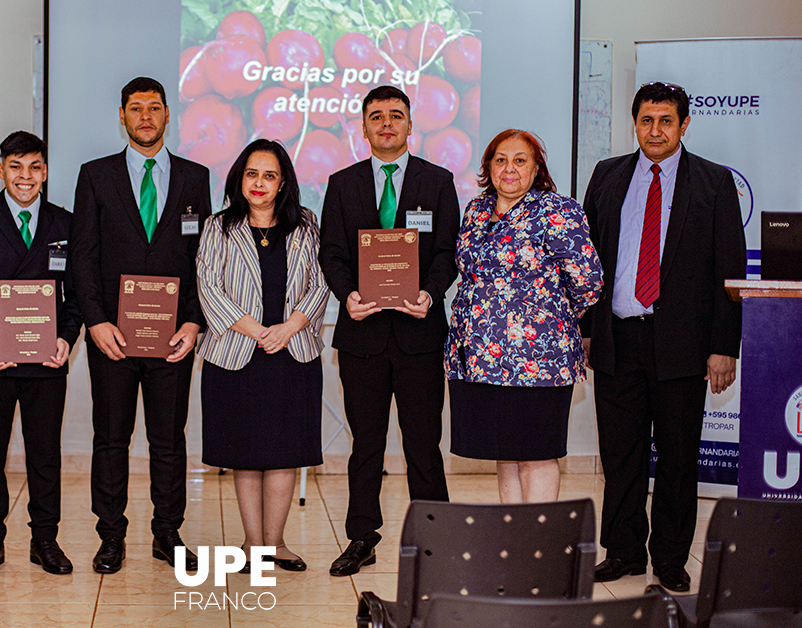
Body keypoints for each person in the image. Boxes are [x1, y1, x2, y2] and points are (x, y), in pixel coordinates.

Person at [582, 82, 745, 592]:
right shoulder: (607, 176)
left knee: (677, 457)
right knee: (621, 455)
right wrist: (586, 331)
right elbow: (585, 263)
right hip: (617, 339)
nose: (656, 131)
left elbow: (729, 272)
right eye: (647, 121)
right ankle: (624, 552)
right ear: (635, 123)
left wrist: (723, 347)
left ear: (684, 124)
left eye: (666, 121)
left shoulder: (714, 183)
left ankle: (671, 558)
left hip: (683, 346)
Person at [70, 77, 211, 573]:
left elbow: (202, 261)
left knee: (169, 440)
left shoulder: (196, 178)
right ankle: (111, 537)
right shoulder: (96, 176)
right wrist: (96, 322)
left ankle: (167, 534)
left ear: (168, 115)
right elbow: (82, 259)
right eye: (136, 108)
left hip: (174, 339)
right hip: (114, 339)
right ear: (123, 117)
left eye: (154, 108)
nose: (145, 116)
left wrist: (194, 322)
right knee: (111, 439)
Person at [318, 85, 460, 576]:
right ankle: (362, 537)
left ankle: (437, 541)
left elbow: (446, 251)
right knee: (366, 446)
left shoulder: (438, 181)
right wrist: (347, 296)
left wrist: (431, 292)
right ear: (363, 127)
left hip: (420, 335)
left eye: (395, 116)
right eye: (376, 117)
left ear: (409, 125)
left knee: (423, 444)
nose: (385, 124)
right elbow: (331, 253)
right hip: (362, 337)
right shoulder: (342, 183)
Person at [0, 131, 81, 577]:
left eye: (35, 167)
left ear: (45, 171)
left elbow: (76, 294)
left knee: (45, 454)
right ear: (2, 170)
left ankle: (45, 540)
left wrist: (66, 336)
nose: (26, 177)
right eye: (16, 167)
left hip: (46, 363)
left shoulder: (65, 223)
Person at [445, 129, 603, 504]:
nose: (509, 169)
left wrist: (548, 316)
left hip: (539, 360)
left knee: (536, 453)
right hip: (480, 359)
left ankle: (539, 546)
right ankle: (515, 541)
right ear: (488, 167)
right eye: (500, 160)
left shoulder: (557, 211)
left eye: (520, 160)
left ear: (536, 169)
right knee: (506, 451)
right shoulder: (476, 210)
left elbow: (588, 281)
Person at [196, 139, 330, 572]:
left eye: (269, 175)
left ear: (283, 183)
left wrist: (289, 327)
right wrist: (257, 331)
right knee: (246, 453)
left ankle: (277, 544)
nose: (259, 183)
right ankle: (253, 544)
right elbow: (208, 285)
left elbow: (321, 281)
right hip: (236, 354)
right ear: (239, 178)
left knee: (285, 451)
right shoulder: (219, 226)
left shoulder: (306, 225)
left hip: (293, 353)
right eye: (252, 174)